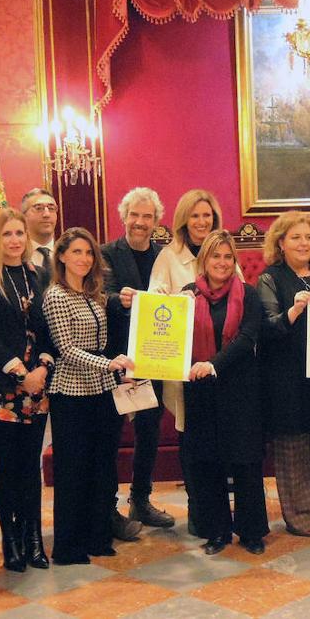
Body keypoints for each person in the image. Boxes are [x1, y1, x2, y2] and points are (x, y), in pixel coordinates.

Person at [42, 227, 135, 565]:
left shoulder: (95, 293)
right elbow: (65, 349)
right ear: (62, 256)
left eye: (88, 253)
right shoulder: (55, 295)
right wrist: (108, 362)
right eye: (76, 252)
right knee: (73, 469)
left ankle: (98, 536)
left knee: (102, 467)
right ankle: (69, 545)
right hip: (72, 391)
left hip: (103, 391)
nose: (83, 259)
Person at [0, 208, 54, 572]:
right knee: (6, 466)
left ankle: (34, 539)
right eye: (7, 234)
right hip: (1, 387)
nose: (15, 240)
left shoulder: (39, 276)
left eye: (20, 233)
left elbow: (49, 328)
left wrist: (44, 367)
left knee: (30, 465)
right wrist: (21, 373)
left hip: (38, 387)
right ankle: (11, 539)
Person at [149, 188, 236, 536]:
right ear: (184, 220)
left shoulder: (224, 253)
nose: (202, 222)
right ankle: (198, 510)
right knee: (193, 441)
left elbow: (240, 297)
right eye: (195, 216)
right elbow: (157, 307)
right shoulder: (168, 257)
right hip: (185, 366)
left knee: (221, 440)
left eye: (208, 216)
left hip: (222, 365)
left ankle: (219, 512)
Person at [181, 230, 268, 555]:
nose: (221, 262)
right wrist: (175, 308)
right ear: (204, 260)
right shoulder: (187, 295)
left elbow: (247, 339)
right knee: (208, 463)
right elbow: (169, 339)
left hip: (241, 391)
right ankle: (217, 531)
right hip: (201, 392)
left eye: (227, 257)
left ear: (235, 261)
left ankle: (251, 532)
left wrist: (213, 364)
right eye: (215, 256)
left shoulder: (248, 294)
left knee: (246, 463)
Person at [255, 211, 310, 537]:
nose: (303, 243)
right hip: (286, 378)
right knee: (292, 448)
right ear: (281, 242)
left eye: (308, 237)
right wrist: (294, 309)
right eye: (296, 237)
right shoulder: (270, 278)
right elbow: (267, 327)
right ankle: (300, 515)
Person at [102, 187, 171, 538]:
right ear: (123, 216)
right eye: (135, 215)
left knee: (149, 431)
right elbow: (99, 295)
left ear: (157, 222)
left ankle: (140, 499)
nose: (140, 222)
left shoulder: (164, 256)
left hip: (156, 358)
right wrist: (118, 299)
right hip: (117, 360)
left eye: (147, 217)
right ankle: (108, 506)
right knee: (112, 435)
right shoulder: (106, 254)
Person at [22, 188, 58, 284]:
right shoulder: (16, 254)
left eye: (51, 209)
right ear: (24, 216)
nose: (46, 214)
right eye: (38, 208)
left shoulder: (67, 251)